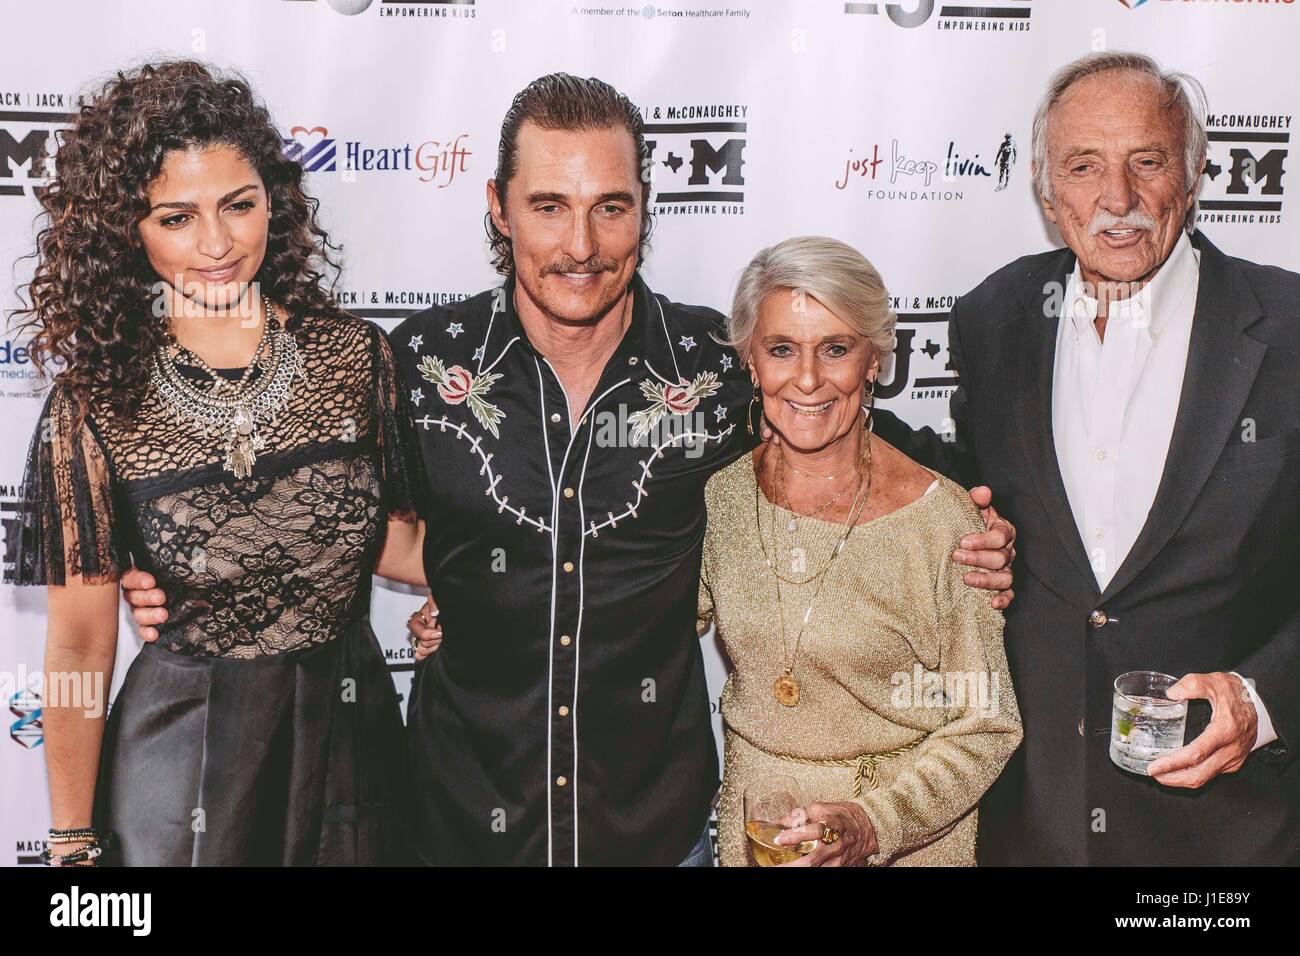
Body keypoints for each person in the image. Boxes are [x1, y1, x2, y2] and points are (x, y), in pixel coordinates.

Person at [128, 73, 1016, 867]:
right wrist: (173, 571)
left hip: (656, 833)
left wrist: (982, 520)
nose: (581, 245)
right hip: (453, 825)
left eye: (611, 206)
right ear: (498, 208)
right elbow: (313, 502)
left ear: (645, 208)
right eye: (549, 204)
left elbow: (841, 416)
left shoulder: (711, 364)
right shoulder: (419, 361)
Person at [870, 51, 1299, 865]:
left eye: (1147, 161)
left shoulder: (1289, 330)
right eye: (1083, 166)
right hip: (1034, 824)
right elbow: (980, 497)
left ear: (1196, 172)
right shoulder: (995, 319)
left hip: (1232, 835)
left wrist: (1263, 695)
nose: (1118, 199)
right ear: (1044, 189)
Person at [5, 61, 429, 866]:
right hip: (182, 761)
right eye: (176, 217)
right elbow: (78, 649)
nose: (216, 242)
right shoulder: (95, 403)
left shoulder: (354, 358)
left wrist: (479, 583)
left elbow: (396, 546)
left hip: (354, 744)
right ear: (125, 231)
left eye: (239, 204)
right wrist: (68, 840)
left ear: (276, 199)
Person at [696, 236, 1021, 866]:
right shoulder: (721, 497)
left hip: (902, 848)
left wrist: (872, 824)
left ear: (874, 361)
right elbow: (646, 624)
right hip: (758, 842)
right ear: (751, 361)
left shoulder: (943, 520)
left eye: (837, 349)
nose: (809, 378)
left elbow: (987, 725)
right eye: (782, 349)